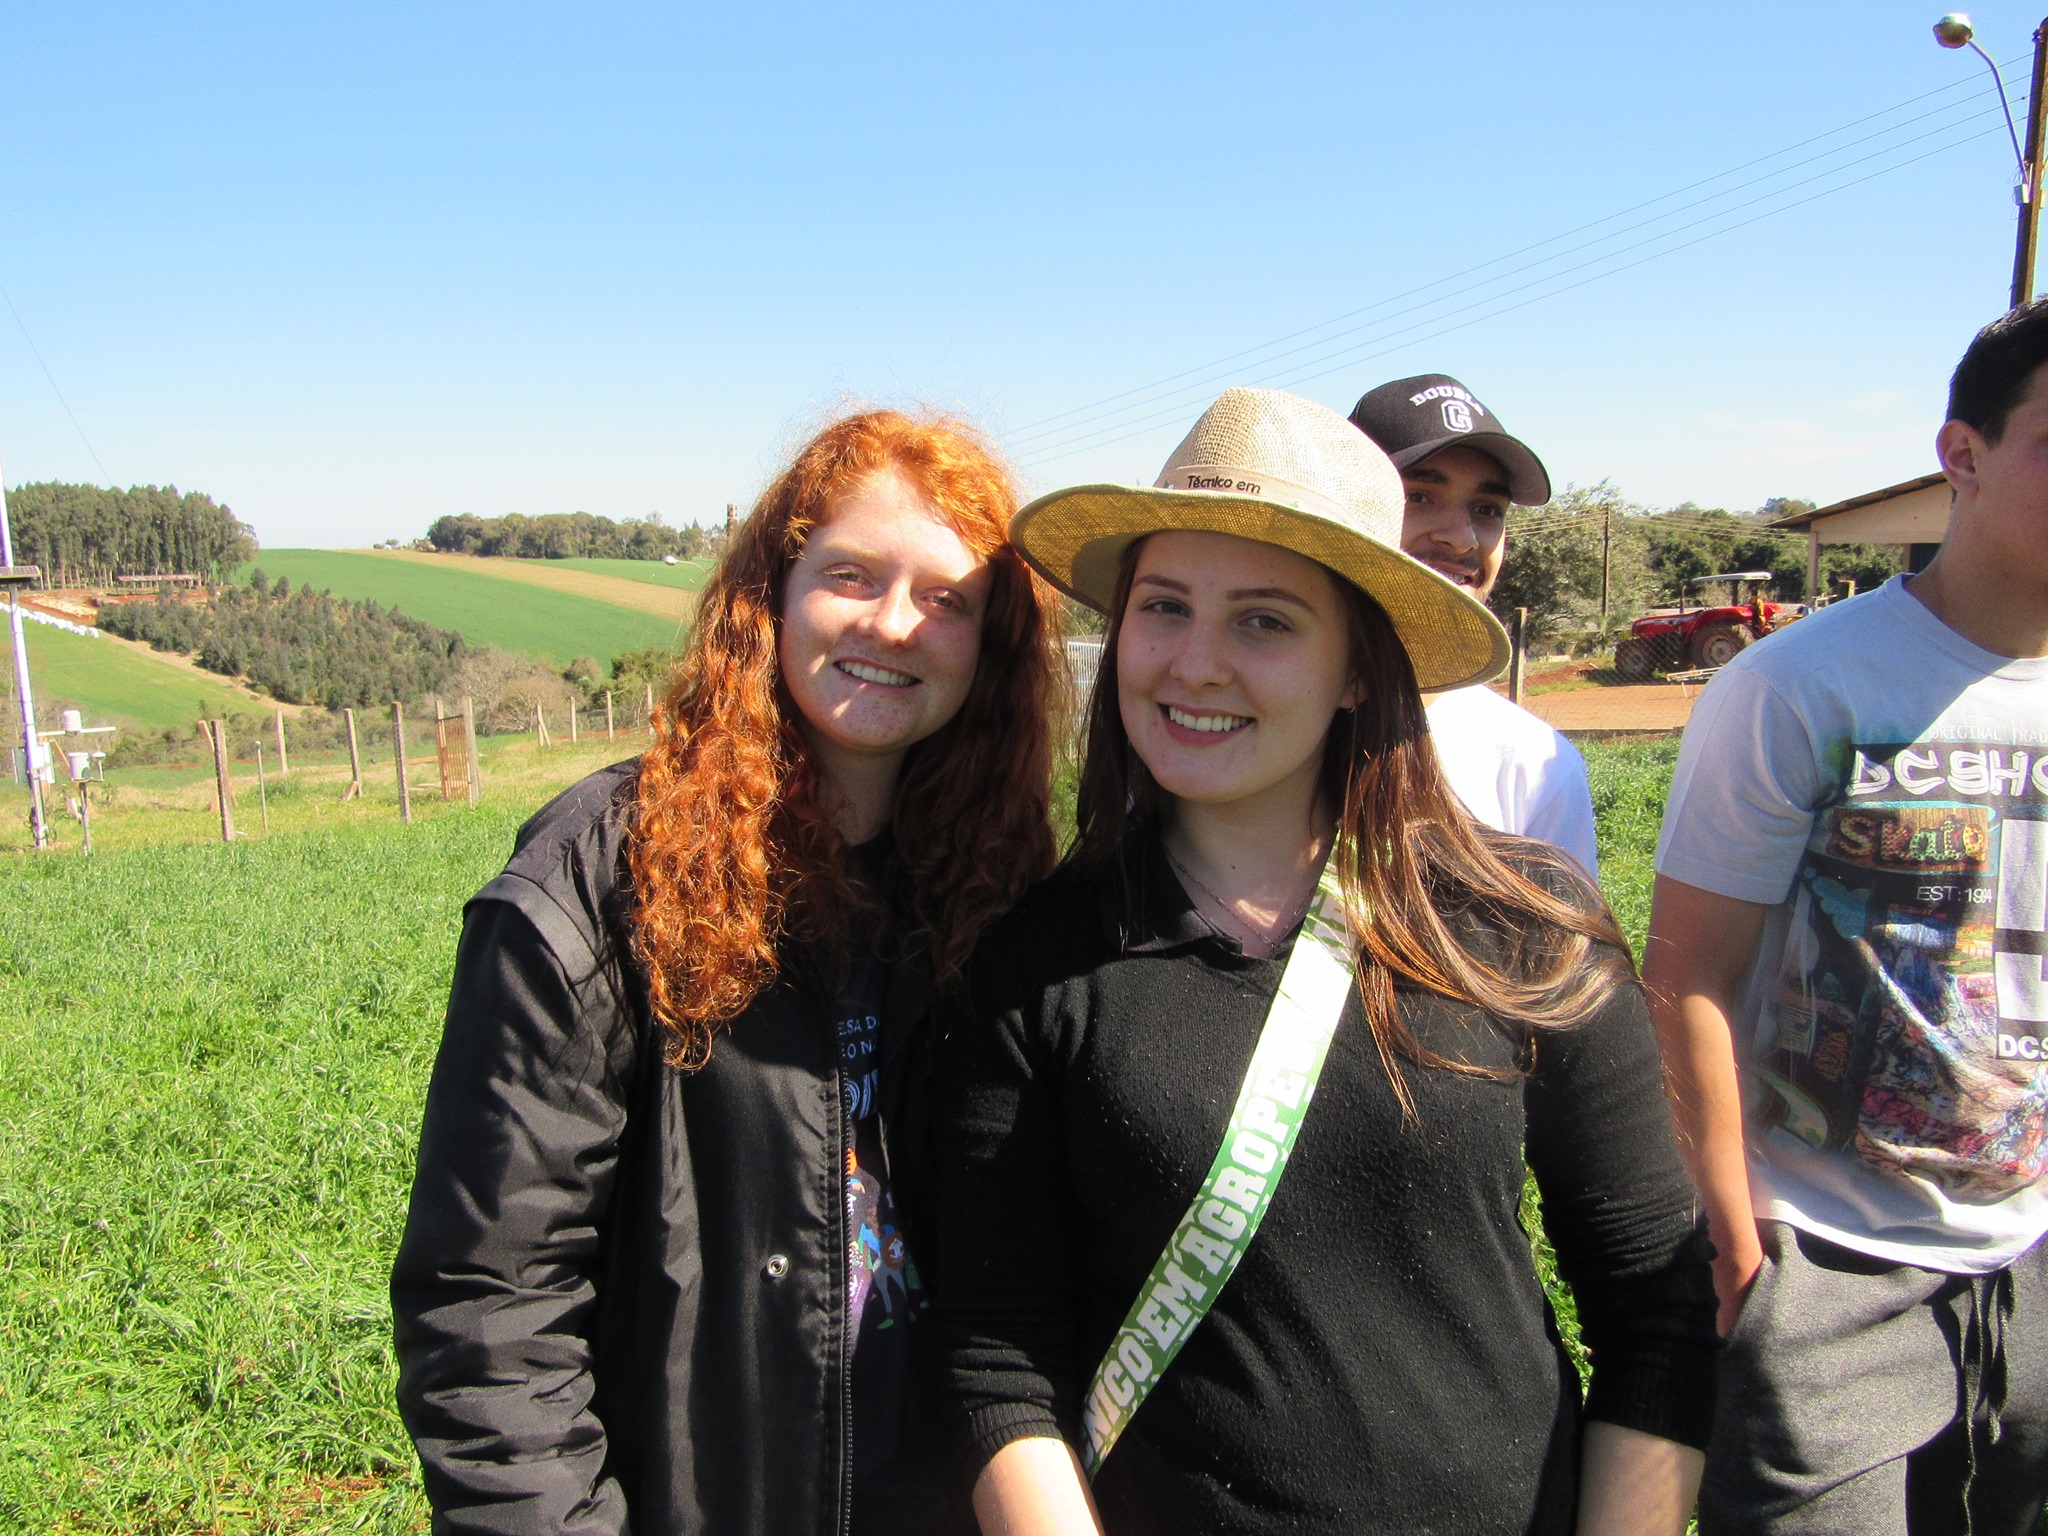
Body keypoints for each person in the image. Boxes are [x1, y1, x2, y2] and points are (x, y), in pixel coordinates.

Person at [936, 387, 1718, 1535]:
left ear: (1359, 667)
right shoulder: (1032, 967)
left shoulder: (1523, 930)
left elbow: (1653, 1309)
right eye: (1163, 607)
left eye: (1263, 621)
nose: (1195, 664)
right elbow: (998, 1359)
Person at [390, 408, 1062, 1534]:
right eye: (850, 575)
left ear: (987, 645)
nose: (895, 623)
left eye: (947, 599)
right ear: (772, 593)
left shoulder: (997, 884)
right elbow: (491, 1309)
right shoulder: (603, 877)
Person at [1644, 301, 2048, 1533]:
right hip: (1824, 1262)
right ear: (1960, 454)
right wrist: (1735, 1245)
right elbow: (1686, 976)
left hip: (2032, 1259)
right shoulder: (1798, 684)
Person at [1349, 373, 1600, 877]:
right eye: (1418, 496)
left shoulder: (1535, 767)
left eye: (1487, 510)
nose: (1463, 539)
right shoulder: (1239, 719)